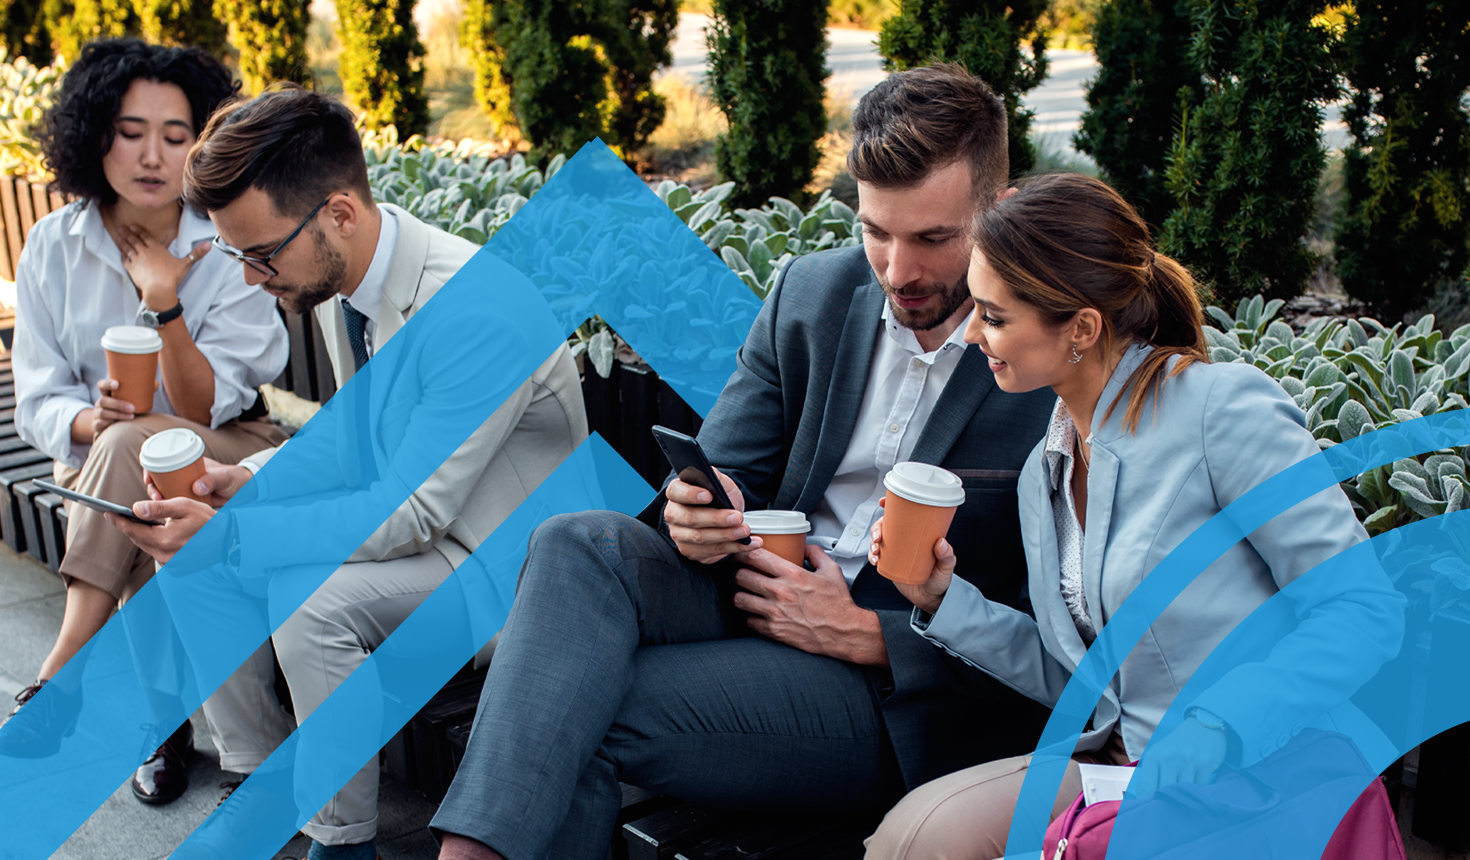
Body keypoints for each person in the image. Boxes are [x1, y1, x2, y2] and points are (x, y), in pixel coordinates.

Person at [430, 64, 1057, 860]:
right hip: (754, 597)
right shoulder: (812, 293)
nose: (898, 271)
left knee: (569, 716)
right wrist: (693, 512)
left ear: (995, 210)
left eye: (933, 238)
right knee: (575, 542)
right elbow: (723, 468)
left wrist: (871, 634)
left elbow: (1059, 634)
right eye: (875, 231)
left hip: (891, 692)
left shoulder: (1046, 357)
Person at [862, 172, 1405, 859]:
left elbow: (1363, 609)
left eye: (994, 316)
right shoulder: (1048, 466)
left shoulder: (1221, 411)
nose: (972, 334)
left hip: (1260, 773)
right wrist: (941, 600)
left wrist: (1221, 724)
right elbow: (1085, 683)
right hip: (1123, 771)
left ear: (1081, 328)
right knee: (911, 840)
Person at [108, 85, 586, 860]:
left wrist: (235, 535)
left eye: (261, 255)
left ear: (338, 212)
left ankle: (342, 842)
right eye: (239, 256)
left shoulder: (473, 308)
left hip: (509, 567)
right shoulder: (344, 281)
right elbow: (351, 438)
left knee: (307, 602)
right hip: (429, 533)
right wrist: (251, 483)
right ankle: (258, 785)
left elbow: (410, 514)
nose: (251, 278)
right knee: (195, 566)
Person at [3, 38, 290, 805]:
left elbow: (198, 410)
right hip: (98, 461)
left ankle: (77, 683)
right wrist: (88, 420)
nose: (153, 155)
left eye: (176, 133)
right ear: (95, 133)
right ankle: (173, 727)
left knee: (143, 462)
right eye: (132, 131)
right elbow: (36, 397)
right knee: (131, 466)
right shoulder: (52, 247)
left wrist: (165, 303)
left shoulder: (226, 239)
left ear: (202, 140)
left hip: (230, 444)